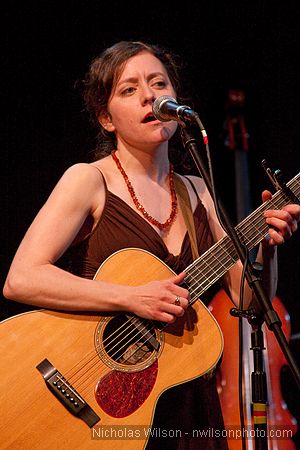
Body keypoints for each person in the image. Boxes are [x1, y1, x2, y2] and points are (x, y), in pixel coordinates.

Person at [3, 41, 300, 449]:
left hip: (186, 406)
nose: (149, 95)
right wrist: (131, 297)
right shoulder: (88, 180)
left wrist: (267, 247)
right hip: (100, 398)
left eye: (158, 83)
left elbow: (250, 303)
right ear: (106, 118)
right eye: (129, 89)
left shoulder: (198, 190)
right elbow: (21, 278)